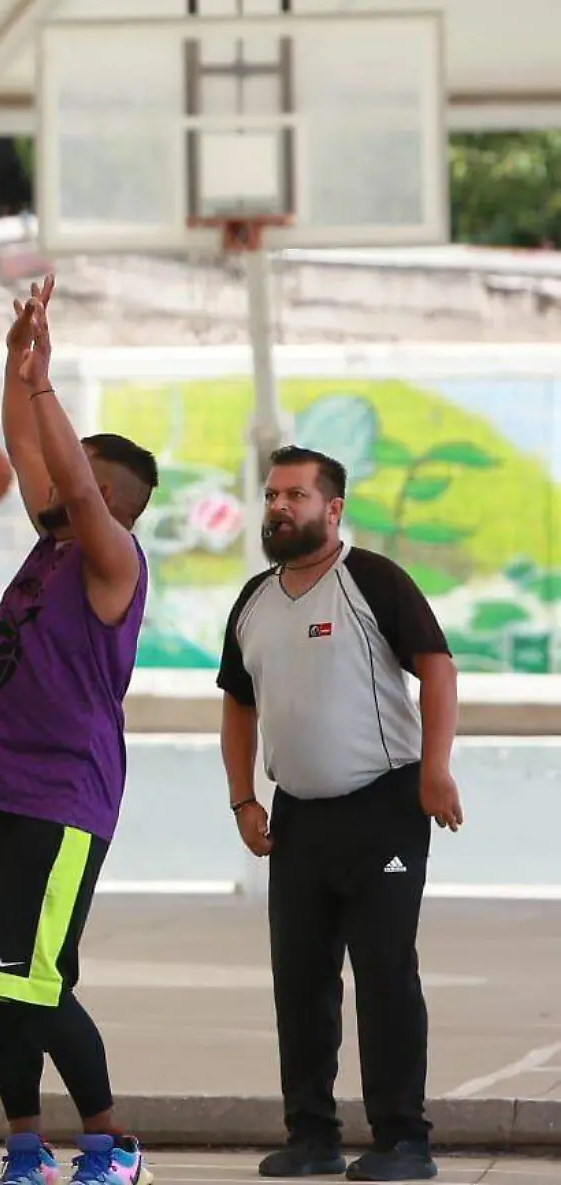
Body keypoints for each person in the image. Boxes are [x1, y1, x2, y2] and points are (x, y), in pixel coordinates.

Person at [0, 277, 158, 1185]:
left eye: (74, 471)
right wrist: (20, 363)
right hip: (5, 794)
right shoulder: (52, 540)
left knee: (40, 982)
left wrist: (52, 390)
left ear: (98, 490)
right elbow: (24, 443)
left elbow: (59, 459)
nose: (47, 477)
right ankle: (28, 1151)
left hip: (63, 797)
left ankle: (114, 1146)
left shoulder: (111, 556)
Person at [218, 445, 462, 1183]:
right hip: (298, 817)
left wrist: (435, 768)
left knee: (385, 972)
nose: (279, 507)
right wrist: (242, 797)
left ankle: (403, 1140)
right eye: (271, 495)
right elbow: (237, 702)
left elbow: (438, 667)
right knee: (299, 977)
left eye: (295, 494)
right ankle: (313, 1135)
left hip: (383, 807)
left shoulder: (373, 581)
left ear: (333, 508)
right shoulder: (255, 599)